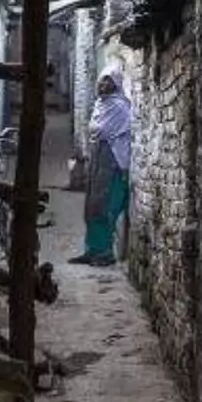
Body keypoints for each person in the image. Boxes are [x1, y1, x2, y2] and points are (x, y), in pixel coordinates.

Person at [70, 62, 132, 266]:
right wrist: (95, 131)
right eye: (102, 79)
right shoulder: (101, 105)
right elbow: (95, 129)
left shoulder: (120, 107)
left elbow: (100, 131)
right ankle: (91, 250)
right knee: (91, 206)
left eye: (109, 80)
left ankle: (105, 253)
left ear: (116, 84)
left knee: (105, 207)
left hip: (112, 162)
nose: (103, 84)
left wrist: (96, 130)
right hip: (98, 159)